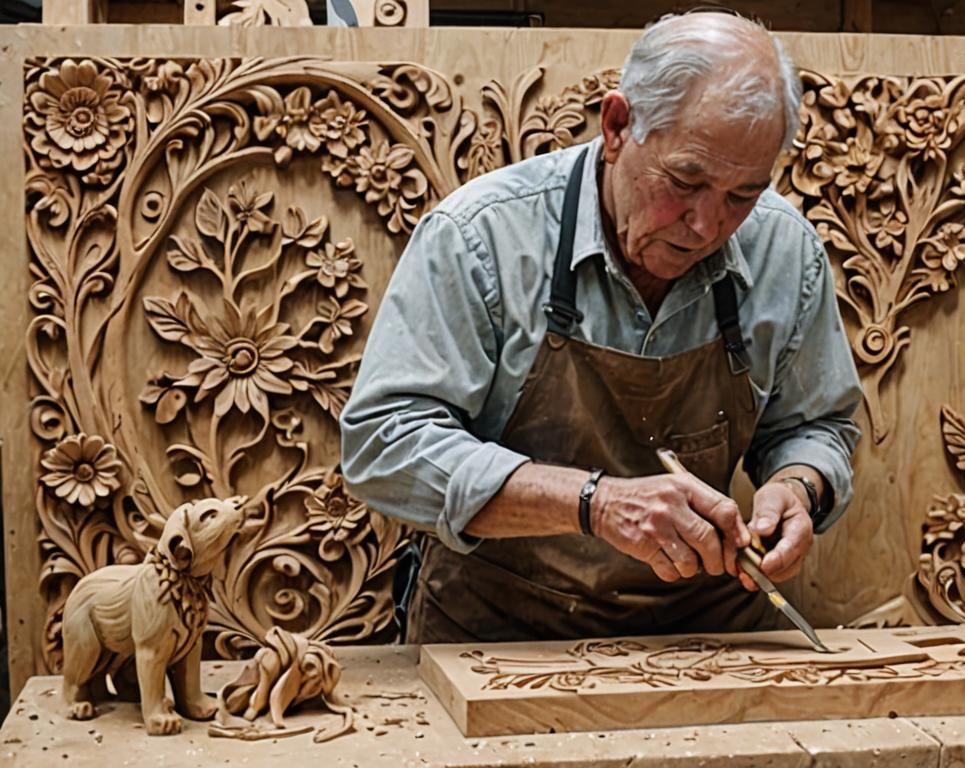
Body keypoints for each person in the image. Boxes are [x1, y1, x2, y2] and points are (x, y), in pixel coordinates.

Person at [339, 10, 862, 644]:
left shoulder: (785, 249)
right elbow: (383, 446)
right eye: (685, 181)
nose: (707, 225)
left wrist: (797, 487)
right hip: (501, 634)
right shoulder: (482, 237)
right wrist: (597, 502)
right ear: (618, 127)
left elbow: (817, 424)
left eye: (741, 195)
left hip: (704, 638)